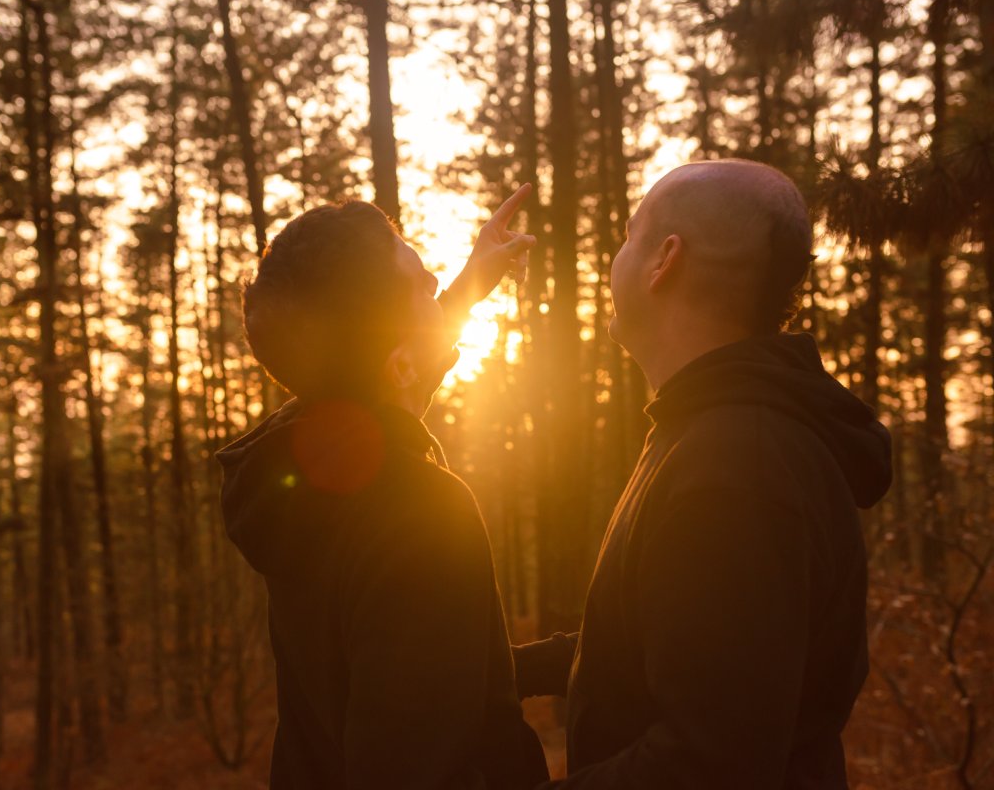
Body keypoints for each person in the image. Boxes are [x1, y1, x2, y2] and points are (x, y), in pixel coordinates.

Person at [513, 159, 892, 789]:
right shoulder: (714, 433)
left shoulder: (735, 469)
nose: (614, 261)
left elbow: (710, 764)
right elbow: (678, 645)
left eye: (628, 238)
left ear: (665, 261)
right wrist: (506, 668)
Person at [217, 187, 550, 789]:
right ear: (397, 362)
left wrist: (469, 286)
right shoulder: (419, 513)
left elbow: (406, 686)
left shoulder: (303, 474)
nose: (437, 283)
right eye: (424, 284)